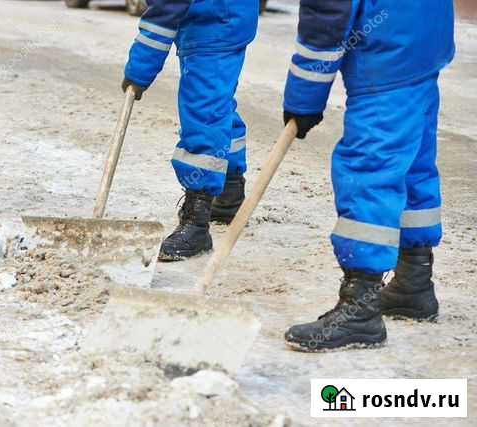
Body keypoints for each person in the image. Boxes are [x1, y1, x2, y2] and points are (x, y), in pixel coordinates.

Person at [282, 0, 455, 351]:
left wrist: (304, 97)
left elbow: (328, 14)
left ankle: (359, 309)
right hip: (422, 42)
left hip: (385, 57)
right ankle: (414, 282)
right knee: (413, 164)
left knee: (369, 171)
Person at [122, 0, 259, 261]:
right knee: (216, 105)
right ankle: (229, 192)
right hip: (217, 17)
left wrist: (140, 67)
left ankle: (197, 221)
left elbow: (167, 7)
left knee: (204, 113)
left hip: (216, 20)